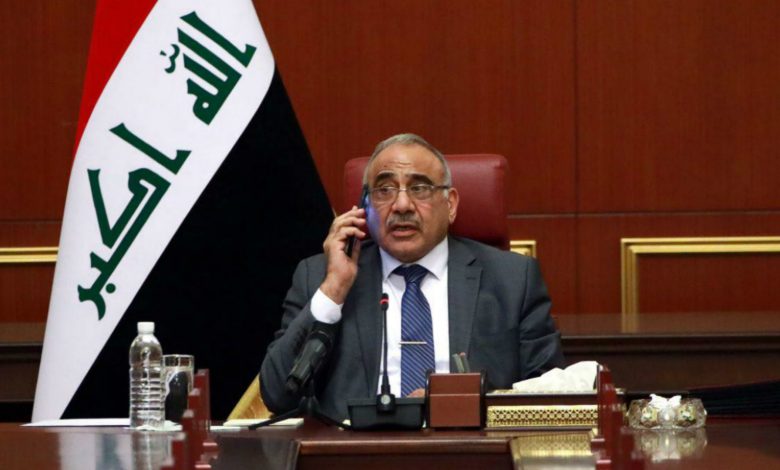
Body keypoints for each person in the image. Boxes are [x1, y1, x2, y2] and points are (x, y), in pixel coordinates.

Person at [260, 133, 565, 420]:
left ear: (450, 204)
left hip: (467, 447)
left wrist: (462, 403)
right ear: (365, 207)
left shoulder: (513, 280)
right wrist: (334, 289)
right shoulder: (320, 276)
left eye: (419, 188)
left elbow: (548, 398)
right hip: (354, 449)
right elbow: (277, 395)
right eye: (384, 190)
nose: (402, 205)